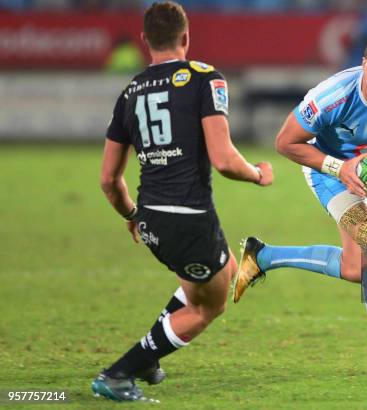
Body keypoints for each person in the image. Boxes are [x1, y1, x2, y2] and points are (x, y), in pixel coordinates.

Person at [92, 1, 273, 402]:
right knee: (211, 306)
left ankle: (150, 358)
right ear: (186, 37)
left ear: (144, 41)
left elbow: (108, 179)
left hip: (153, 217)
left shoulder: (129, 93)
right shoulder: (204, 79)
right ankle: (120, 373)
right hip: (188, 217)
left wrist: (132, 216)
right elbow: (225, 160)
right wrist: (259, 174)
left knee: (220, 266)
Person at [233, 30, 367, 376]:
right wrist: (338, 167)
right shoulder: (332, 96)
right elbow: (285, 142)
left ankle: (263, 256)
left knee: (357, 268)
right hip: (327, 169)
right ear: (363, 63)